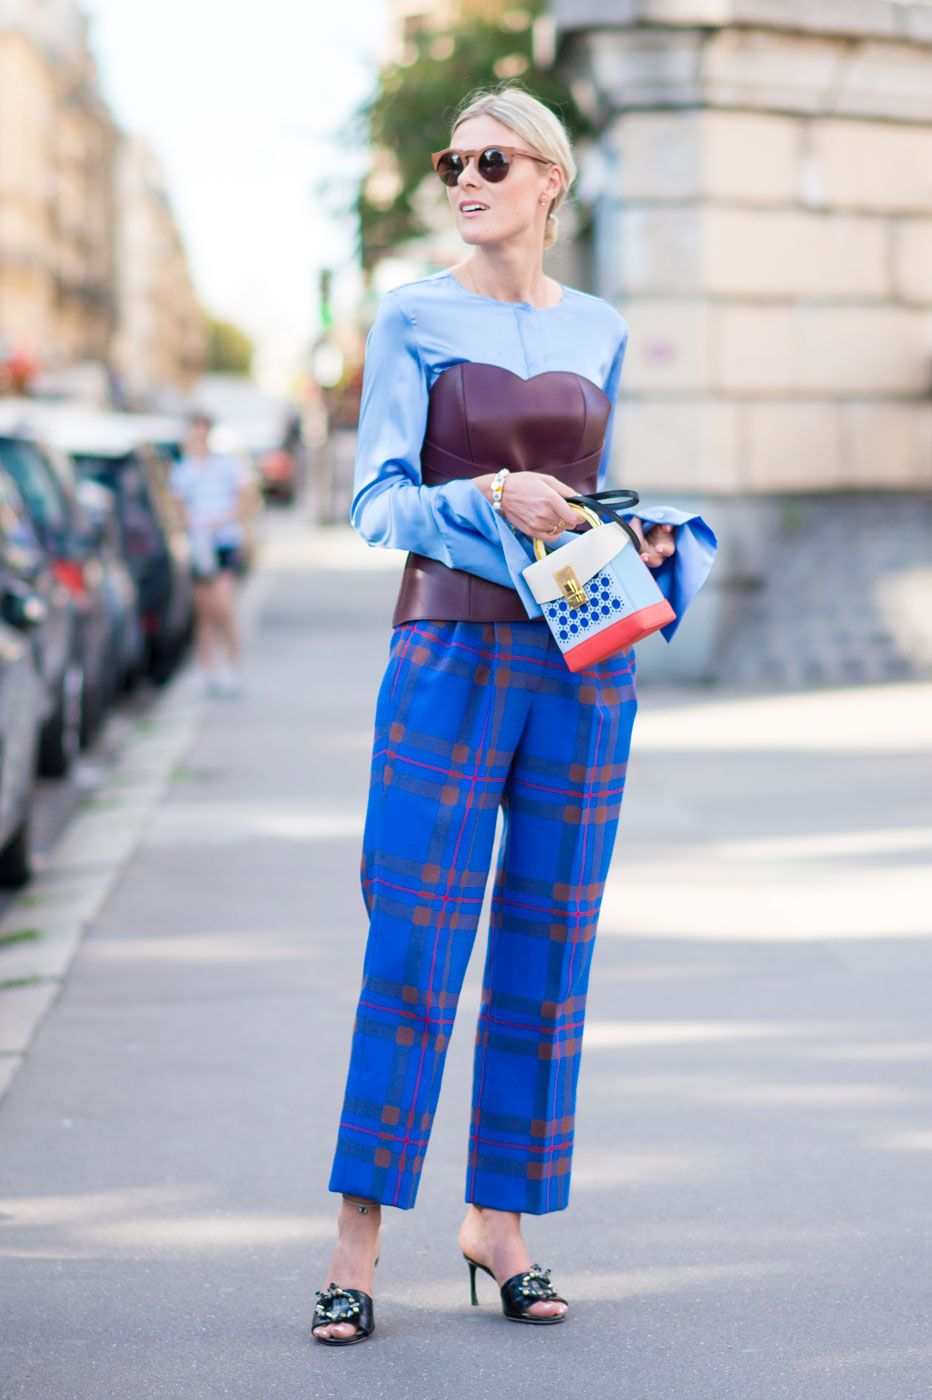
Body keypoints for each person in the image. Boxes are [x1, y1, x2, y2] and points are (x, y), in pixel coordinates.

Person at [312, 84, 717, 1344]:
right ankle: (356, 1243)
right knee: (414, 946)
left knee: (550, 949)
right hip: (447, 648)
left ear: (549, 180)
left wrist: (632, 528)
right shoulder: (410, 317)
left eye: (492, 160)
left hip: (583, 659)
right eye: (453, 162)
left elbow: (591, 488)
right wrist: (493, 491)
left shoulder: (598, 326)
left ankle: (503, 1224)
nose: (465, 178)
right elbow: (377, 502)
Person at [170, 412, 249, 697]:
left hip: (224, 540)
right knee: (204, 611)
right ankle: (208, 669)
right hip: (201, 543)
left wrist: (224, 519)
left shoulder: (225, 466)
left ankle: (232, 663)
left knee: (223, 605)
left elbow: (244, 499)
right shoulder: (183, 470)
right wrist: (191, 522)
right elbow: (178, 505)